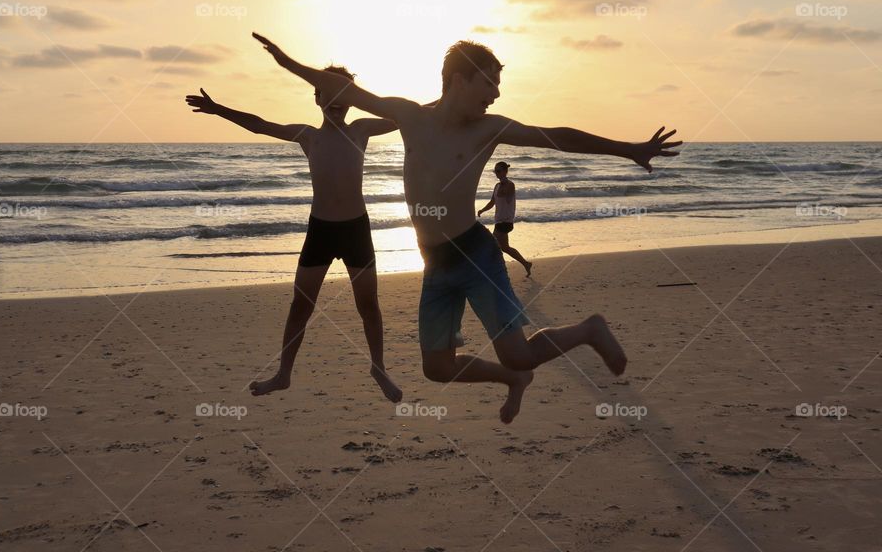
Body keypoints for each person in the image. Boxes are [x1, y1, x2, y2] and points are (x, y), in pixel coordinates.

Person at [253, 33, 681, 422]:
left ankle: (588, 330)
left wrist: (629, 150)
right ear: (459, 80)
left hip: (474, 253)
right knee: (436, 368)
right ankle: (513, 382)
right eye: (489, 82)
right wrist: (286, 61)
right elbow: (345, 91)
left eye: (498, 85)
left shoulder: (489, 129)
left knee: (518, 354)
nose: (496, 93)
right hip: (435, 263)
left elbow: (557, 136)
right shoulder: (409, 115)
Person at [184, 67, 403, 403]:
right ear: (316, 97)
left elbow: (408, 115)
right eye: (327, 94)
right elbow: (259, 125)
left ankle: (378, 367)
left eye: (344, 94)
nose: (335, 101)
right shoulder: (308, 136)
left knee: (368, 304)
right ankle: (283, 373)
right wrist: (219, 109)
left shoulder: (362, 130)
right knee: (301, 305)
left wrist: (453, 102)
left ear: (353, 100)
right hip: (322, 230)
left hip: (356, 228)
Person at [477, 161, 532, 277]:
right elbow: (493, 202)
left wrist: (503, 182)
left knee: (492, 245)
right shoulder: (497, 186)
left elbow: (504, 195)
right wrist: (482, 210)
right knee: (505, 247)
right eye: (495, 171)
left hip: (506, 221)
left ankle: (496, 271)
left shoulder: (510, 184)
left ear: (505, 172)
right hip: (498, 220)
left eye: (498, 171)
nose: (496, 173)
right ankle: (526, 263)